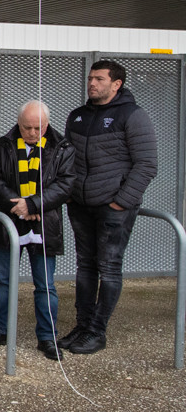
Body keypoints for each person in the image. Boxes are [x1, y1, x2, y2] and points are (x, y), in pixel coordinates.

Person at [59, 60, 158, 355]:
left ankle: (97, 331)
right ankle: (82, 325)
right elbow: (67, 158)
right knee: (85, 266)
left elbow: (147, 164)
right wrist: (69, 192)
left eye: (99, 79)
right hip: (80, 205)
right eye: (90, 78)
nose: (92, 83)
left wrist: (122, 201)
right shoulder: (77, 116)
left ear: (116, 84)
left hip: (113, 208)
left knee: (109, 268)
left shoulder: (133, 116)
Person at [0, 101, 75, 360]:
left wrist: (33, 204)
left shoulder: (62, 147)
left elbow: (66, 185)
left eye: (38, 128)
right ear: (18, 123)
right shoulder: (3, 145)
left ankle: (47, 336)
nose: (32, 133)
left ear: (47, 124)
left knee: (45, 285)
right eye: (27, 127)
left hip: (44, 221)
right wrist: (20, 206)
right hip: (10, 219)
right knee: (4, 281)